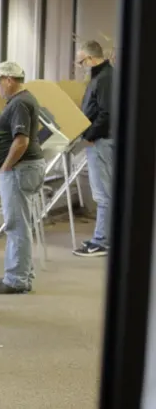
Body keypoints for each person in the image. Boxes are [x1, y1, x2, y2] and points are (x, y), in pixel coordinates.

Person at [0, 62, 46, 294]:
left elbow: (21, 141)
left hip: (19, 168)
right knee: (23, 223)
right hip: (27, 167)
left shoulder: (20, 102)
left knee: (16, 224)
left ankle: (15, 279)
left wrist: (6, 167)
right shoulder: (24, 100)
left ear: (9, 80)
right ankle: (23, 274)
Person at [72, 40, 114, 257]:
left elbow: (107, 113)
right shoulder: (103, 76)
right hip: (102, 140)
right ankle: (103, 237)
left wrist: (89, 135)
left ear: (90, 58)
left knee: (102, 193)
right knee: (105, 192)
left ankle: (101, 241)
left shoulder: (105, 78)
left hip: (101, 141)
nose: (81, 68)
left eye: (81, 63)